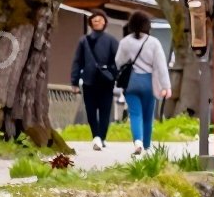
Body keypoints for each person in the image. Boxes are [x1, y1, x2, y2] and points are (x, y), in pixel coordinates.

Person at [114, 13, 171, 155]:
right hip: (149, 82)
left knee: (135, 114)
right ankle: (146, 146)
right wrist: (166, 87)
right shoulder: (154, 42)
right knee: (147, 115)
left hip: (131, 83)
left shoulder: (125, 42)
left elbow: (118, 62)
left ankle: (137, 141)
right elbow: (161, 66)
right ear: (147, 26)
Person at [69, 13, 120, 150]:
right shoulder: (84, 41)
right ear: (91, 23)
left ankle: (101, 137)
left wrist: (114, 76)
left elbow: (118, 61)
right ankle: (96, 136)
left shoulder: (111, 40)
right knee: (90, 110)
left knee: (105, 110)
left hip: (106, 81)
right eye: (94, 20)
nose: (97, 22)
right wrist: (74, 82)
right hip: (89, 80)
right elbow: (77, 61)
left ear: (105, 22)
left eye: (100, 20)